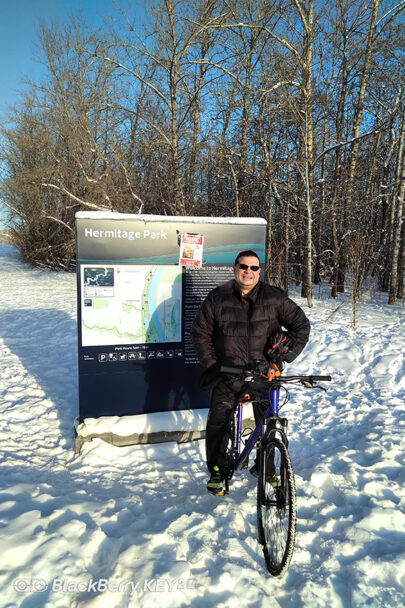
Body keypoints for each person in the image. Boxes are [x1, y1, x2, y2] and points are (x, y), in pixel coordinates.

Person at [191, 250, 311, 495]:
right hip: (228, 373)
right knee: (218, 422)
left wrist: (282, 357)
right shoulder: (217, 297)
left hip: (263, 374)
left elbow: (301, 326)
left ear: (260, 271)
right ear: (235, 268)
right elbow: (200, 334)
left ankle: (265, 468)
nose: (248, 272)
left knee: (269, 423)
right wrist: (213, 365)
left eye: (254, 268)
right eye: (243, 266)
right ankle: (217, 470)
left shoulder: (274, 298)